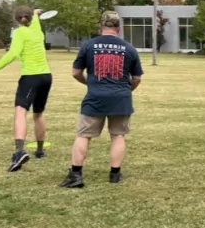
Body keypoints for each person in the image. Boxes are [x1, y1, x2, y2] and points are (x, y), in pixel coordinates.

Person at [60, 10, 143, 189]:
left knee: (83, 135)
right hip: (121, 97)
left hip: (95, 96)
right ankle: (115, 174)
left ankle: (75, 175)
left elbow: (76, 72)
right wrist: (127, 90)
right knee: (118, 135)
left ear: (100, 28)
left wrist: (89, 83)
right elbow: (136, 78)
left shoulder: (88, 46)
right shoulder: (129, 48)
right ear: (118, 29)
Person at [0, 6, 52, 172]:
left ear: (16, 19)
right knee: (38, 113)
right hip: (46, 76)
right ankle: (39, 151)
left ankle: (19, 152)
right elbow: (35, 18)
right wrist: (36, 13)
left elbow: (12, 54)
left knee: (20, 112)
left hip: (30, 77)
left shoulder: (19, 33)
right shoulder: (37, 30)